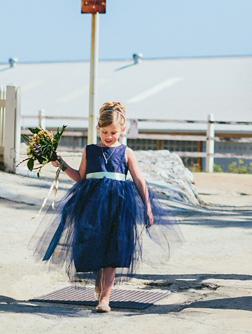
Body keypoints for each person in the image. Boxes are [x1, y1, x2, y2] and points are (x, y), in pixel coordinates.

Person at [32, 102, 182, 313]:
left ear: (122, 130)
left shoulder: (126, 153)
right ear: (97, 130)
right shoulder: (90, 151)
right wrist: (61, 163)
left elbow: (139, 181)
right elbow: (80, 177)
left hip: (119, 206)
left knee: (113, 249)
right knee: (93, 246)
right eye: (104, 132)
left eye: (113, 132)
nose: (109, 136)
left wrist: (148, 206)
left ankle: (105, 298)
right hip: (91, 203)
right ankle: (98, 282)